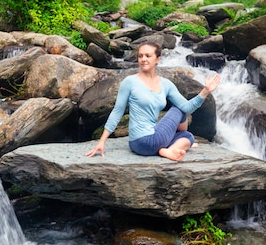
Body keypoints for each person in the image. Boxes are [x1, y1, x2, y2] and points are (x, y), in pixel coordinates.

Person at [85, 41, 221, 161]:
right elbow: (117, 111)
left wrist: (206, 90)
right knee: (179, 109)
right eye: (140, 56)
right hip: (144, 141)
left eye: (148, 56)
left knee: (189, 137)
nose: (143, 59)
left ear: (158, 59)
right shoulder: (130, 82)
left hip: (138, 145)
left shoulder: (166, 84)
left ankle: (166, 148)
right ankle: (166, 148)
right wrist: (102, 141)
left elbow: (188, 108)